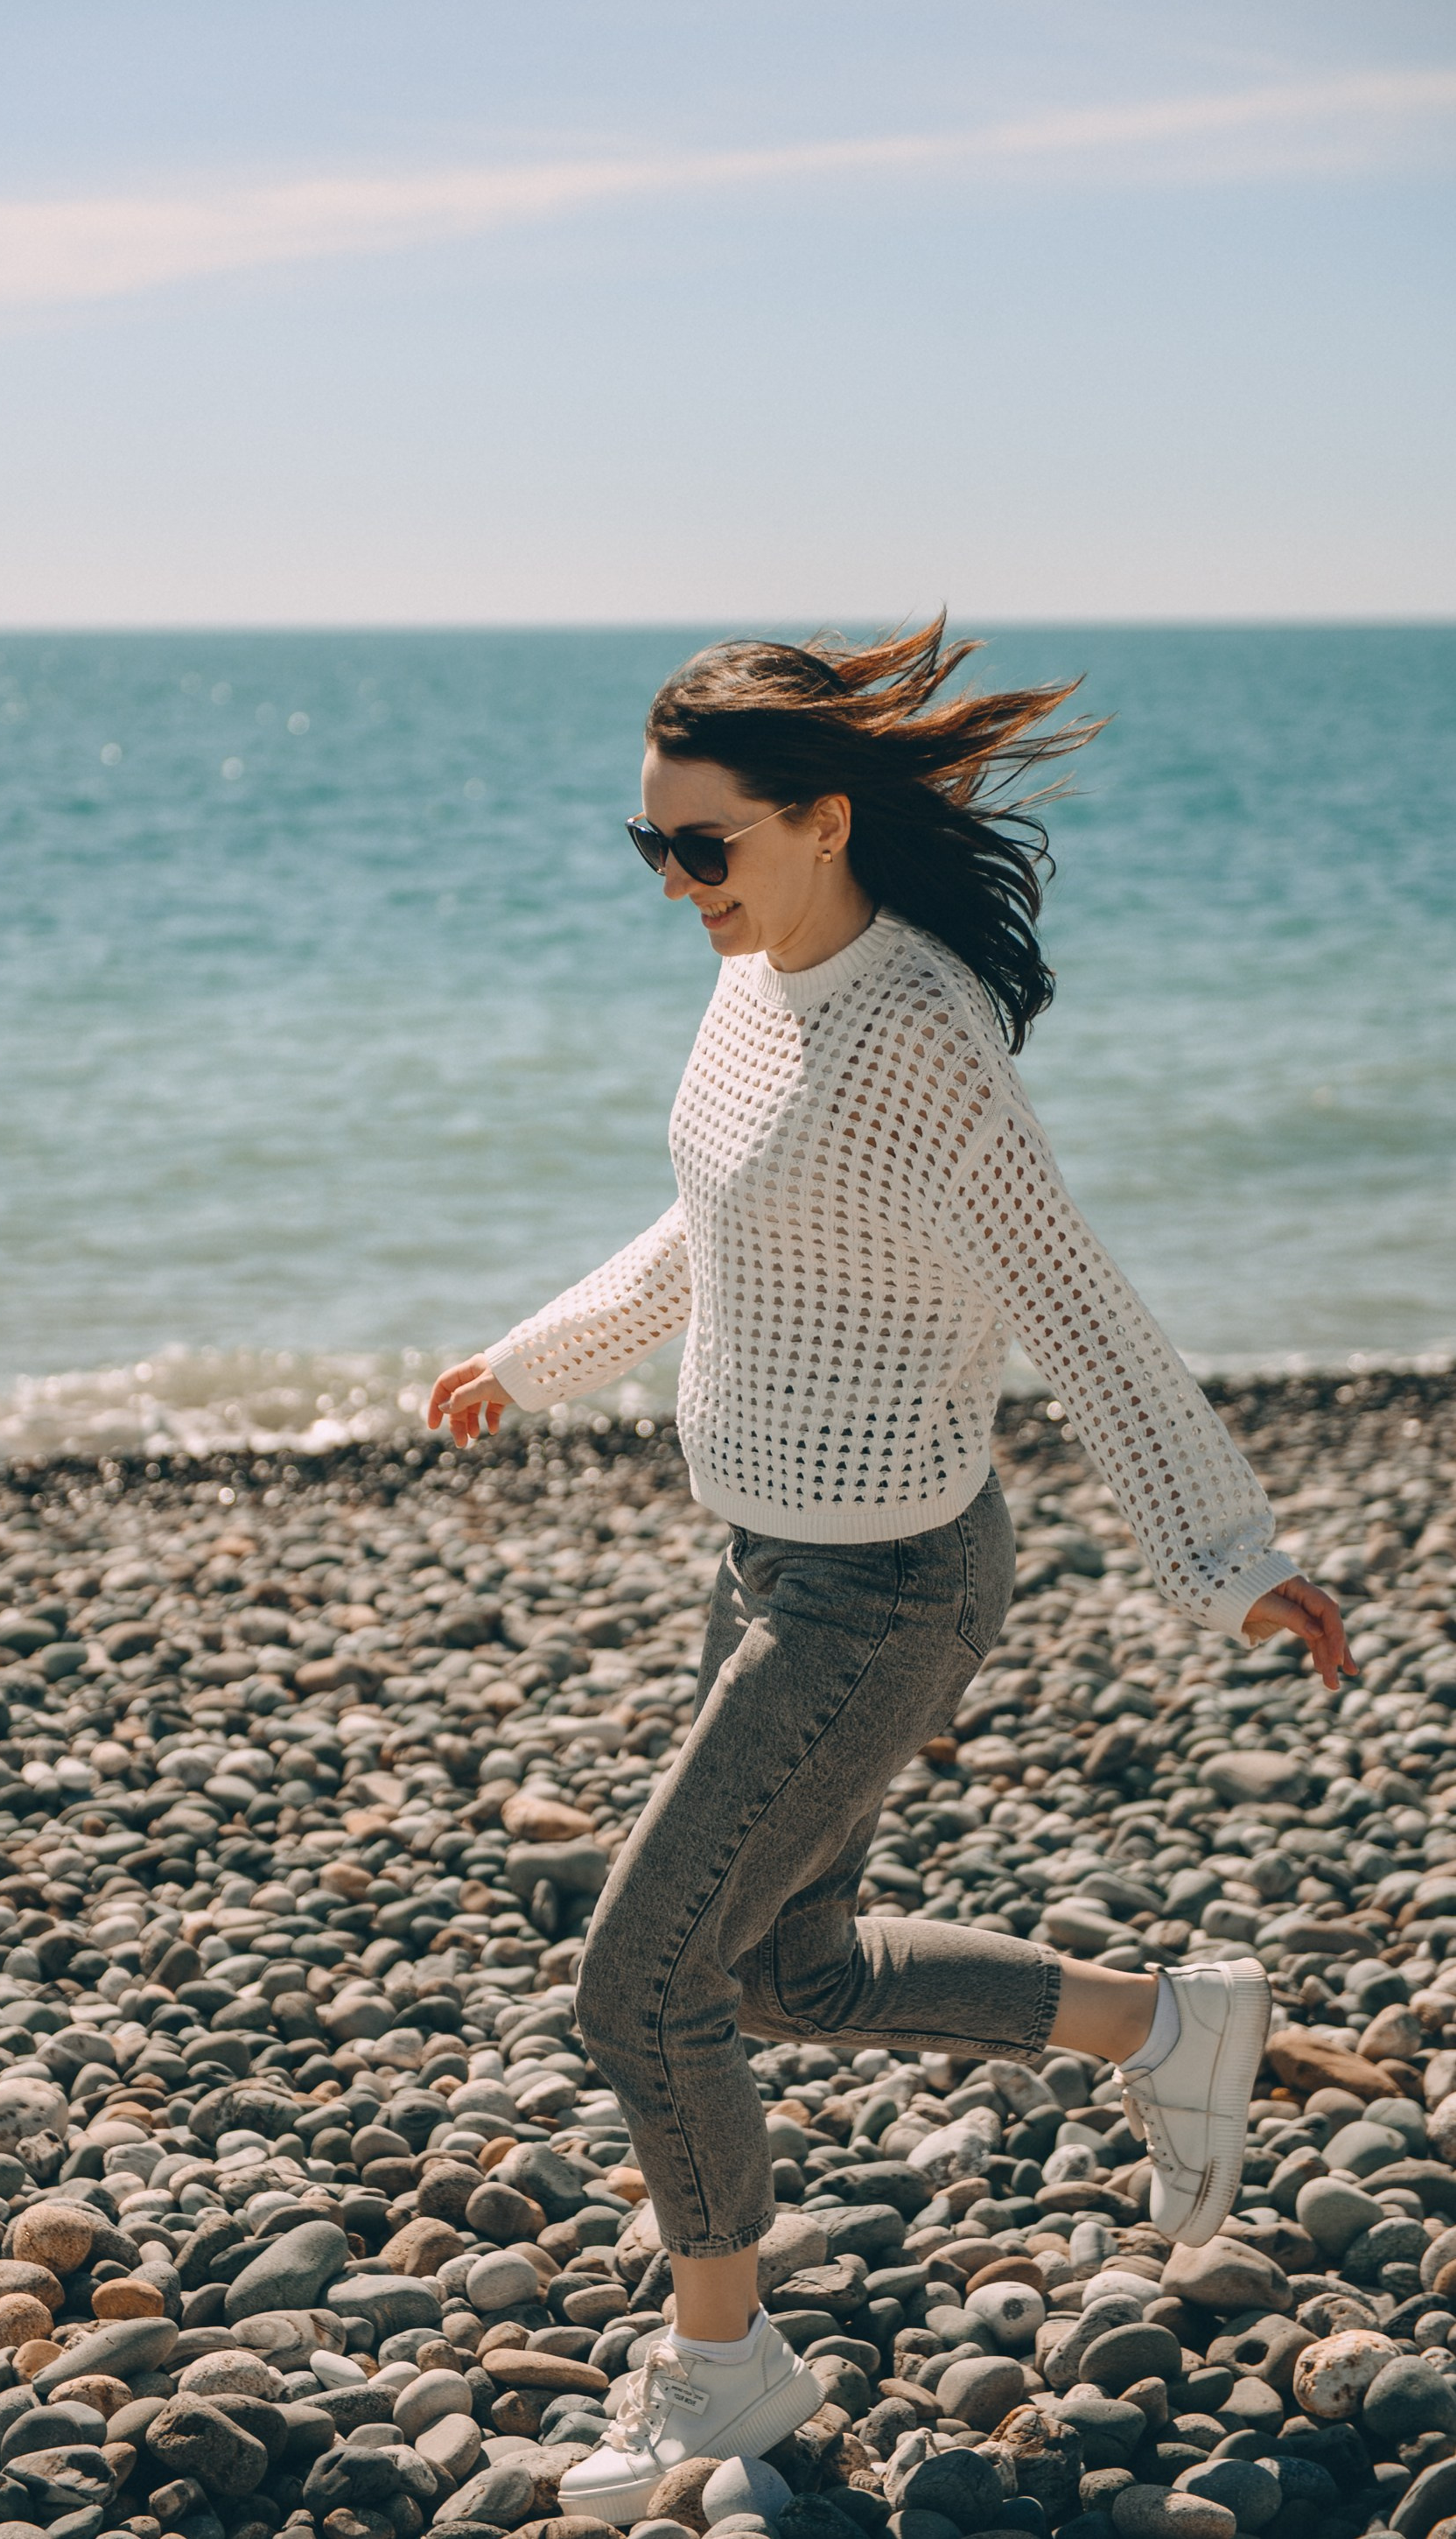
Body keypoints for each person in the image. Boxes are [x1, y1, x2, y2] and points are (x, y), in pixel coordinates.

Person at [426, 622, 1354, 2524]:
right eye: (652, 845)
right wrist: (533, 1357)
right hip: (769, 1550)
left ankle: (726, 2374)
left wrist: (1230, 1556)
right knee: (790, 1968)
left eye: (706, 845)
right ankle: (1172, 2026)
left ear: (822, 818)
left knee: (639, 1981)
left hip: (885, 1588)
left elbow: (1075, 1301)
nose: (677, 884)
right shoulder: (764, 978)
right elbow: (717, 1222)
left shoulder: (919, 1037)